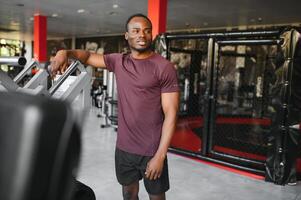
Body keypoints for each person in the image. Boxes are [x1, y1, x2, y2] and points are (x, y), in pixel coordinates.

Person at [51, 13, 180, 200]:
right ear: (126, 35)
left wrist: (160, 156)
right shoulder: (118, 61)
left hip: (152, 150)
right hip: (124, 148)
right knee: (128, 194)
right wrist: (65, 53)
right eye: (135, 31)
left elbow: (171, 113)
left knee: (156, 196)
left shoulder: (163, 67)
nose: (141, 35)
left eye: (147, 31)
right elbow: (86, 56)